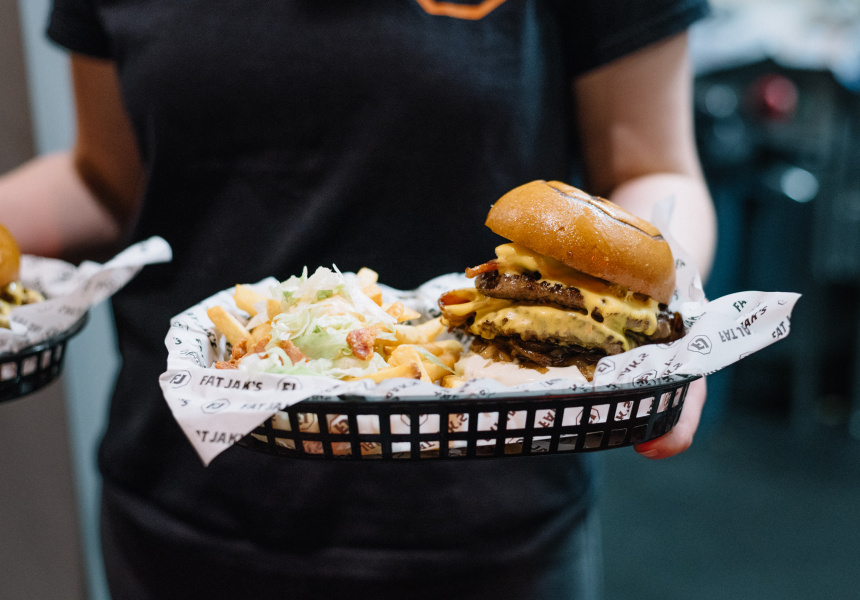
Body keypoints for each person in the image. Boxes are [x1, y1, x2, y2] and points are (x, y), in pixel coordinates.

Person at [1, 1, 717, 598]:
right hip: (182, 492)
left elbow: (653, 164)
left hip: (484, 502)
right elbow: (103, 180)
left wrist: (668, 319)